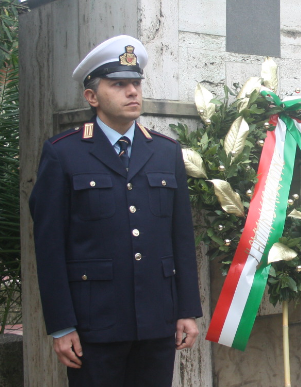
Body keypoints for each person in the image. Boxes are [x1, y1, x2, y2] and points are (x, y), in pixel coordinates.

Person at [29, 35, 202, 387]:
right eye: (119, 85)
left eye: (136, 84)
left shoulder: (166, 151)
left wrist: (186, 310)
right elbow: (49, 247)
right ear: (92, 96)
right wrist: (62, 325)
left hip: (157, 321)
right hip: (96, 323)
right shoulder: (64, 153)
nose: (132, 92)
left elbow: (181, 237)